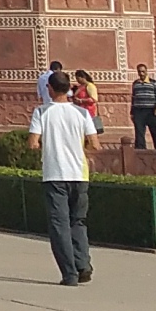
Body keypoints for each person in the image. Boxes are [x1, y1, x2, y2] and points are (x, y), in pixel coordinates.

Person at [31, 66, 98, 286]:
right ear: (69, 89)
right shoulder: (82, 112)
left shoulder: (41, 112)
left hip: (55, 173)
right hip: (79, 174)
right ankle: (83, 264)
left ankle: (70, 274)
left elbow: (33, 142)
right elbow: (95, 144)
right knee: (78, 222)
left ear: (49, 89)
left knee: (59, 224)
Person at [130, 66, 156, 150]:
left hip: (151, 110)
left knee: (155, 131)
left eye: (143, 71)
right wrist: (132, 112)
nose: (141, 73)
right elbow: (134, 98)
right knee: (139, 132)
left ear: (146, 72)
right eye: (140, 72)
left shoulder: (153, 83)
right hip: (138, 111)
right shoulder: (135, 84)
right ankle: (140, 150)